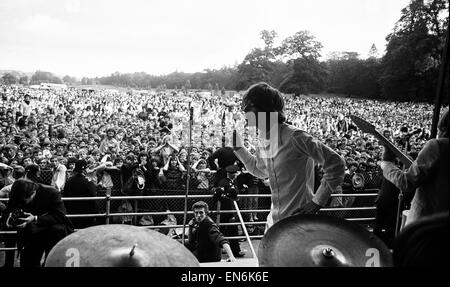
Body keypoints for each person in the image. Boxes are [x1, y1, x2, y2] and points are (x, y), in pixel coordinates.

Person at [233, 82, 346, 230]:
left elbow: (337, 164)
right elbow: (260, 170)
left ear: (266, 108)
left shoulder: (296, 137)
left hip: (299, 223)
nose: (244, 109)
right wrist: (239, 148)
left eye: (249, 105)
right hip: (274, 222)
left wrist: (317, 201)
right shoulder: (264, 138)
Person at [377, 109, 449, 226]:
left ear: (443, 126)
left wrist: (386, 164)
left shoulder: (438, 146)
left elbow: (406, 183)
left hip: (425, 224)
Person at [2, 179, 74, 267]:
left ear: (33, 192)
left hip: (53, 233)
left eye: (24, 200)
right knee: (27, 262)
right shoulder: (17, 192)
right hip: (29, 234)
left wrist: (35, 218)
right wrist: (10, 219)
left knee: (51, 262)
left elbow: (60, 215)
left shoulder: (51, 192)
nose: (22, 203)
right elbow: (8, 210)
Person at [63, 159, 99, 229]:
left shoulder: (69, 181)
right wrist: (96, 213)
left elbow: (65, 198)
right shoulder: (88, 182)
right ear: (84, 169)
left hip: (72, 213)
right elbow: (93, 199)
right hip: (86, 215)